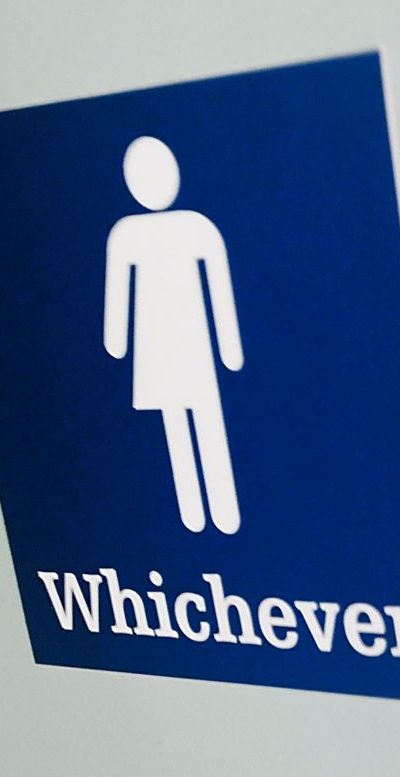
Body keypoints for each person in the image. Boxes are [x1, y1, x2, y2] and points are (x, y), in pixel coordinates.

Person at [104, 135, 244, 534]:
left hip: (193, 343)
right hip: (155, 348)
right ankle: (193, 514)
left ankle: (223, 509)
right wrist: (117, 341)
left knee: (206, 418)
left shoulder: (196, 227)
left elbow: (219, 286)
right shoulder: (125, 234)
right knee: (175, 426)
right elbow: (119, 293)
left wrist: (229, 345)